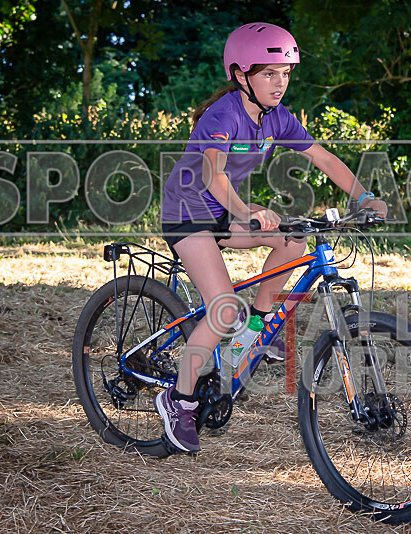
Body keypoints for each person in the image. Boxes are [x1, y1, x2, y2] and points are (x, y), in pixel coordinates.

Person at [155, 22, 388, 453]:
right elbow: (214, 175)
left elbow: (322, 157)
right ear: (241, 75)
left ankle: (257, 328)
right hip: (189, 214)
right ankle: (178, 399)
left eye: (285, 73)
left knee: (293, 240)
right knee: (223, 309)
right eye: (268, 74)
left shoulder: (277, 117)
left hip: (224, 212)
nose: (279, 83)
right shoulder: (222, 115)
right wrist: (248, 212)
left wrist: (365, 196)